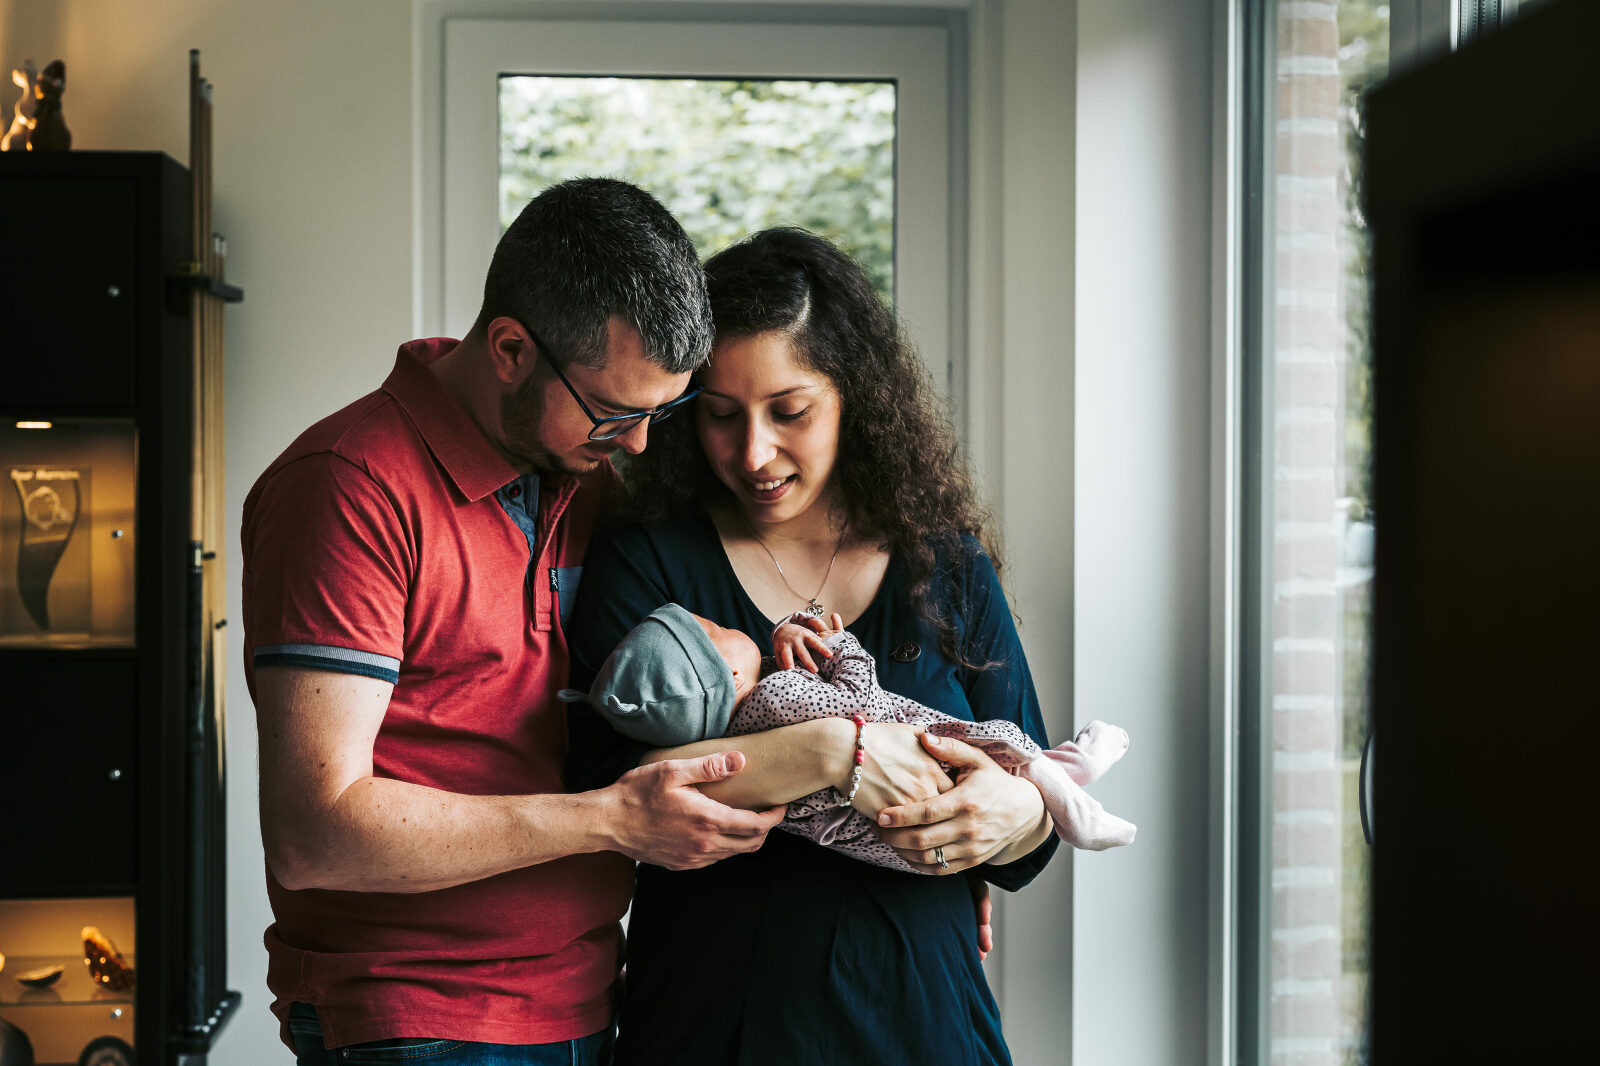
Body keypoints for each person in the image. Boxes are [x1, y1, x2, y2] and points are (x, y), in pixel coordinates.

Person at [241, 178, 787, 1066]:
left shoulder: (579, 470)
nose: (641, 444)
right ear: (508, 350)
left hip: (584, 996)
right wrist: (610, 821)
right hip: (414, 1018)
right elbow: (315, 832)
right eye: (618, 413)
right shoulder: (346, 487)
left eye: (662, 413)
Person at [565, 226, 1065, 1065]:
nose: (752, 453)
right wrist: (837, 749)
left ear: (853, 397)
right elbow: (608, 791)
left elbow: (1032, 795)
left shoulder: (941, 560)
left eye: (789, 411)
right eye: (719, 416)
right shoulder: (650, 555)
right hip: (709, 1028)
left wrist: (1017, 815)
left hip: (928, 1030)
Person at [562, 603, 1136, 870]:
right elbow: (857, 704)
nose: (724, 621)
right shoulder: (777, 696)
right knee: (1001, 739)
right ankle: (1076, 799)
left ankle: (1061, 779)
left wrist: (1019, 816)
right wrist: (837, 642)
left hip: (910, 854)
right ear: (729, 676)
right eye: (714, 630)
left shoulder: (747, 721)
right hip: (917, 779)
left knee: (1012, 765)